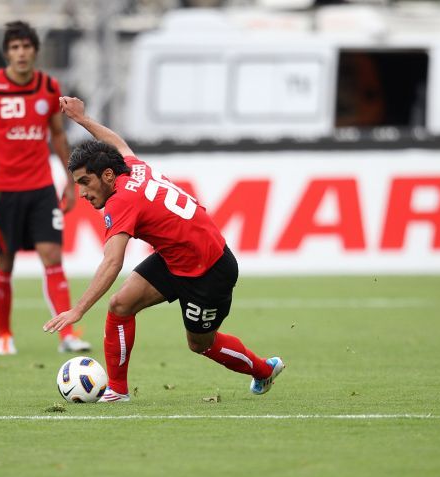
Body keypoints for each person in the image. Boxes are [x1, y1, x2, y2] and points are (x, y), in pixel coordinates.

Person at [43, 96, 285, 402]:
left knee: (200, 344)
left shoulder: (121, 201)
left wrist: (78, 309)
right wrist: (82, 119)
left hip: (209, 271)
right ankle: (117, 390)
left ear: (107, 176)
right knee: (120, 305)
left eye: (85, 182)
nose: (82, 192)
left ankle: (264, 370)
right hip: (176, 258)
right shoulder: (132, 168)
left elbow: (113, 262)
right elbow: (118, 144)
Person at [0, 21, 90, 355]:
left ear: (35, 51)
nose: (21, 53)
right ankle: (4, 334)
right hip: (1, 192)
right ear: (7, 53)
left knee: (53, 256)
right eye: (14, 47)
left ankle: (67, 335)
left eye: (26, 47)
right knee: (4, 263)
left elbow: (58, 136)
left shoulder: (48, 87)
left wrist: (70, 182)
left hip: (41, 189)